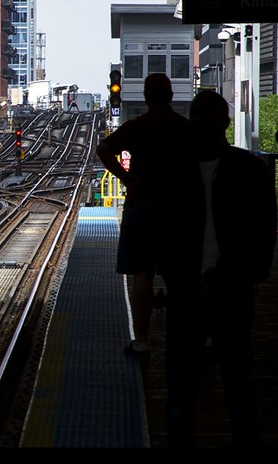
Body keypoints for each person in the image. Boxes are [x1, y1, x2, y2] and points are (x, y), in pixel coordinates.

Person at [162, 89, 277, 447]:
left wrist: (177, 276)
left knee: (182, 391)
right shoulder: (250, 170)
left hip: (192, 291)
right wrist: (238, 275)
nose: (208, 125)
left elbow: (161, 232)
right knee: (238, 388)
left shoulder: (172, 169)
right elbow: (263, 232)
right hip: (229, 291)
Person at [96, 73, 192, 356]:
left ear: (146, 97)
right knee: (178, 274)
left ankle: (141, 340)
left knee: (142, 273)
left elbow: (103, 149)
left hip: (141, 204)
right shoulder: (184, 128)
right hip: (178, 208)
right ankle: (182, 337)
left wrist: (126, 178)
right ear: (171, 96)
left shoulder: (137, 126)